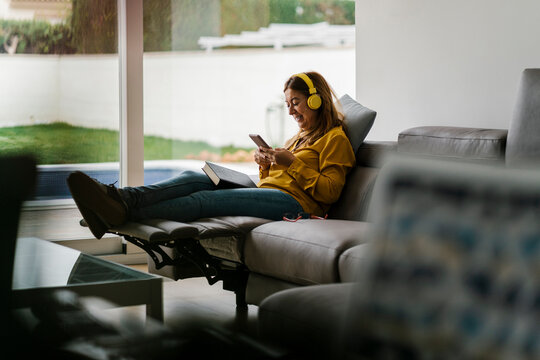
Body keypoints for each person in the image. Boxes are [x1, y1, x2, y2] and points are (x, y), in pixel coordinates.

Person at [67, 71, 356, 239]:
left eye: (296, 103)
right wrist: (266, 164)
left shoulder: (335, 139)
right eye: (288, 104)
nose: (291, 111)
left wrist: (290, 162)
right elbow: (279, 177)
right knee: (198, 177)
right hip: (271, 193)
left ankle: (116, 212)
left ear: (317, 100)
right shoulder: (299, 136)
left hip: (299, 207)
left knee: (205, 200)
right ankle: (121, 198)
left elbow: (329, 193)